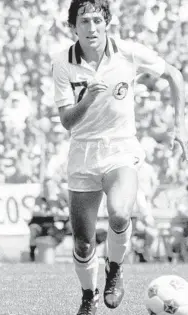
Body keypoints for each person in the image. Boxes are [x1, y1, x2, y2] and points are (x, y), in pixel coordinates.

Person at [51, 0, 188, 314]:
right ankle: (89, 296)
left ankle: (114, 269)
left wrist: (180, 127)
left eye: (97, 20)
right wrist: (86, 99)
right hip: (82, 154)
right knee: (83, 243)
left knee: (120, 214)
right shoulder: (62, 62)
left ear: (107, 23)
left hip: (121, 148)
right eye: (84, 21)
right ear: (74, 26)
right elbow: (67, 122)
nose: (92, 28)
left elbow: (174, 75)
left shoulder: (128, 52)